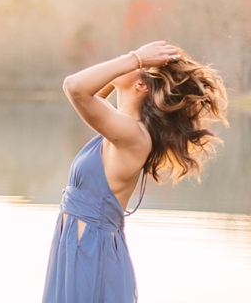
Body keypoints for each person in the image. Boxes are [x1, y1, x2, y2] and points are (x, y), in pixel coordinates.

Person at [41, 41, 228, 303]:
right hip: (80, 247)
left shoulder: (133, 136)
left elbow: (75, 87)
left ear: (141, 85)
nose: (127, 57)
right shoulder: (122, 127)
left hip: (90, 254)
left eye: (138, 65)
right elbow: (93, 94)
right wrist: (132, 65)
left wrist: (136, 59)